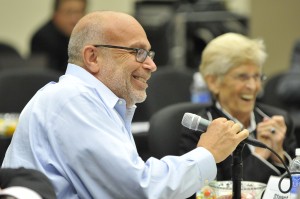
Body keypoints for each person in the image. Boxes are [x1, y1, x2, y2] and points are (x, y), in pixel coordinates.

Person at [2, 11, 249, 199]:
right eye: (138, 52)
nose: (151, 66)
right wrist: (207, 152)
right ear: (92, 57)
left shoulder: (93, 100)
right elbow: (138, 190)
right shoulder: (72, 100)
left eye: (149, 54)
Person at [179, 33, 297, 190]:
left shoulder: (280, 121)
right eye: (242, 77)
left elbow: (296, 189)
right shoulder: (200, 130)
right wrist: (260, 155)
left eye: (257, 76)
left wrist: (278, 155)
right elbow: (211, 193)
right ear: (213, 82)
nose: (253, 86)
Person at [30, 0, 87, 73]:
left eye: (80, 12)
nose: (74, 19)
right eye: (69, 12)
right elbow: (46, 75)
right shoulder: (41, 38)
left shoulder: (85, 35)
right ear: (56, 14)